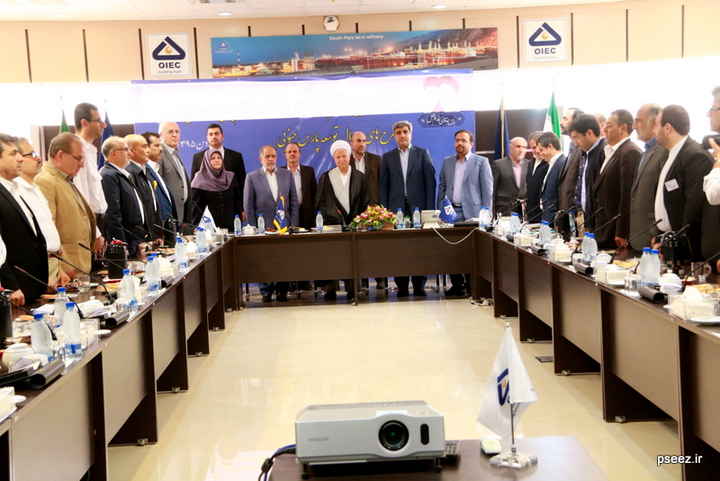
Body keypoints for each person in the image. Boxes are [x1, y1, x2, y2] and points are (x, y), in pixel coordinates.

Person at [379, 120, 436, 297]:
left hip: (419, 208)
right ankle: (401, 284)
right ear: (394, 136)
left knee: (420, 246)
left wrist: (429, 211)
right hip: (395, 209)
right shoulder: (387, 157)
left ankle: (419, 284)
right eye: (398, 133)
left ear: (411, 134)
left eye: (405, 132)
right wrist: (385, 212)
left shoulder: (422, 153)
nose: (402, 135)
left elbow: (430, 183)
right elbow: (383, 187)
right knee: (398, 248)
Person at [654, 105, 713, 262]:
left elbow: (693, 208)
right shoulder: (669, 154)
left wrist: (675, 242)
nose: (654, 130)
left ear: (667, 128)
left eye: (656, 125)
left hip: (688, 248)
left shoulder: (696, 156)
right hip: (668, 241)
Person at [438, 129, 493, 297]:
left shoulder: (481, 162)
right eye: (457, 140)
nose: (459, 143)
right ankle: (457, 285)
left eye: (463, 140)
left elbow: (487, 190)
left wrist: (486, 214)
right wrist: (440, 208)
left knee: (471, 251)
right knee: (450, 250)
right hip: (451, 213)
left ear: (471, 143)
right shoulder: (447, 162)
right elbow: (442, 186)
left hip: (472, 213)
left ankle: (472, 285)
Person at [36, 133, 98, 278]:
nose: (82, 164)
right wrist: (57, 271)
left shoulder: (65, 179)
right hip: (66, 271)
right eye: (78, 158)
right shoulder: (45, 181)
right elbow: (47, 233)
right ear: (60, 155)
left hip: (78, 267)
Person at [243, 145, 299, 302]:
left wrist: (293, 225)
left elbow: (293, 202)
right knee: (264, 260)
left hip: (284, 227)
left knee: (284, 259)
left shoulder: (287, 175)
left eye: (273, 156)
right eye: (267, 156)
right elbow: (248, 206)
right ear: (261, 158)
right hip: (263, 228)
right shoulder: (252, 177)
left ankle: (282, 290)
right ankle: (266, 292)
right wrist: (254, 228)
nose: (270, 159)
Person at [316, 140, 369, 300]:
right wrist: (334, 213)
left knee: (352, 257)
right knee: (332, 257)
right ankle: (330, 289)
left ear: (349, 156)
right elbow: (321, 202)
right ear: (334, 159)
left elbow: (365, 201)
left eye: (344, 156)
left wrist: (359, 219)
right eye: (338, 157)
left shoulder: (360, 177)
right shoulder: (326, 177)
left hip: (354, 224)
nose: (341, 160)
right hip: (333, 225)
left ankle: (353, 290)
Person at [0, 134, 48, 306]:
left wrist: (42, 280)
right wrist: (10, 286)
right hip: (15, 292)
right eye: (13, 154)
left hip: (33, 285)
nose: (20, 158)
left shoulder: (13, 188)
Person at [16, 138, 67, 287]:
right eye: (31, 155)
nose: (38, 158)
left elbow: (48, 228)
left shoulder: (35, 188)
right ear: (17, 159)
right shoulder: (16, 192)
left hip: (52, 262)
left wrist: (59, 268)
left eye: (36, 154)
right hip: (37, 267)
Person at [591, 109, 641, 249]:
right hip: (603, 226)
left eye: (609, 126)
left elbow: (627, 195)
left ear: (622, 128)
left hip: (614, 231)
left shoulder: (630, 152)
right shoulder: (610, 151)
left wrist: (622, 231)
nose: (604, 129)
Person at [99, 136, 149, 257]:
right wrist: (121, 244)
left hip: (135, 239)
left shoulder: (121, 174)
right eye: (125, 149)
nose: (130, 154)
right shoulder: (108, 175)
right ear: (114, 153)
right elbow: (113, 213)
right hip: (125, 242)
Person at [630, 104, 668, 252]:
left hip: (652, 238)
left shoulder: (664, 152)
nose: (634, 126)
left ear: (654, 122)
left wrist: (656, 234)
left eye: (638, 121)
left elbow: (664, 198)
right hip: (638, 237)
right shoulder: (646, 152)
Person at [72, 102, 106, 255]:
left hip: (99, 221)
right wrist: (95, 233)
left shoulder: (90, 150)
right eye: (98, 121)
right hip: (90, 225)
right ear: (84, 123)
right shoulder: (77, 152)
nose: (103, 125)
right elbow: (81, 197)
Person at [191, 123, 246, 215]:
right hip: (206, 212)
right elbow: (194, 186)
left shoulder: (236, 156)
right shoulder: (198, 157)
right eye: (211, 134)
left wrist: (242, 208)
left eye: (216, 133)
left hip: (231, 209)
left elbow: (242, 184)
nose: (214, 136)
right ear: (207, 137)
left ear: (222, 136)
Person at [569, 114, 606, 232]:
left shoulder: (604, 152)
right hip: (588, 217)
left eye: (576, 137)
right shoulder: (586, 153)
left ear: (589, 133)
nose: (575, 143)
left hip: (601, 220)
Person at [190, 148, 240, 230]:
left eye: (219, 158)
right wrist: (195, 226)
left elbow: (237, 200)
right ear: (206, 161)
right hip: (208, 227)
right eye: (212, 158)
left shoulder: (230, 177)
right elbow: (195, 208)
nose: (216, 160)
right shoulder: (199, 180)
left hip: (230, 225)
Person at [125, 134, 162, 242]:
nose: (148, 150)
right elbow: (136, 211)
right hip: (140, 238)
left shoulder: (144, 170)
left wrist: (156, 234)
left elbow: (152, 205)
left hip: (151, 236)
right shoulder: (130, 173)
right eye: (144, 147)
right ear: (131, 151)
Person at [158, 122, 191, 224]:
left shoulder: (175, 153)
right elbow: (157, 187)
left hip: (182, 211)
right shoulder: (159, 154)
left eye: (177, 132)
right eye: (170, 132)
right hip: (169, 213)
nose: (174, 135)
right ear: (161, 135)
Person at [142, 131, 175, 223]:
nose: (161, 149)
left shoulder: (155, 169)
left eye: (161, 145)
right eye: (156, 146)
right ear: (146, 148)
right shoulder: (144, 172)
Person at [282, 142, 317, 230]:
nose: (292, 154)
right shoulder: (279, 172)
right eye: (289, 152)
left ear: (299, 154)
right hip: (286, 217)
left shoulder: (309, 171)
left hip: (307, 217)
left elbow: (315, 194)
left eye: (295, 151)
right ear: (285, 155)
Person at [492, 136, 527, 217]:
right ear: (510, 148)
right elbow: (492, 191)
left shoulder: (529, 165)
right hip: (504, 211)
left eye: (524, 147)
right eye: (518, 146)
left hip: (524, 212)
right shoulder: (499, 165)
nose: (521, 150)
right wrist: (492, 213)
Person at [537, 132, 566, 223]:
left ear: (550, 146)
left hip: (555, 220)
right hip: (548, 218)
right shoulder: (551, 163)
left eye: (541, 150)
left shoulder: (562, 163)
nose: (540, 154)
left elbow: (561, 195)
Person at [350, 131, 382, 205]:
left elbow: (382, 184)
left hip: (373, 206)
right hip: (353, 206)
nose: (362, 144)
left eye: (364, 141)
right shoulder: (346, 161)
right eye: (359, 141)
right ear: (351, 143)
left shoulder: (376, 160)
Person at [524, 131, 548, 223]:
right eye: (532, 148)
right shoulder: (531, 163)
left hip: (544, 213)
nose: (536, 151)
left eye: (536, 147)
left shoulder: (549, 163)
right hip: (531, 212)